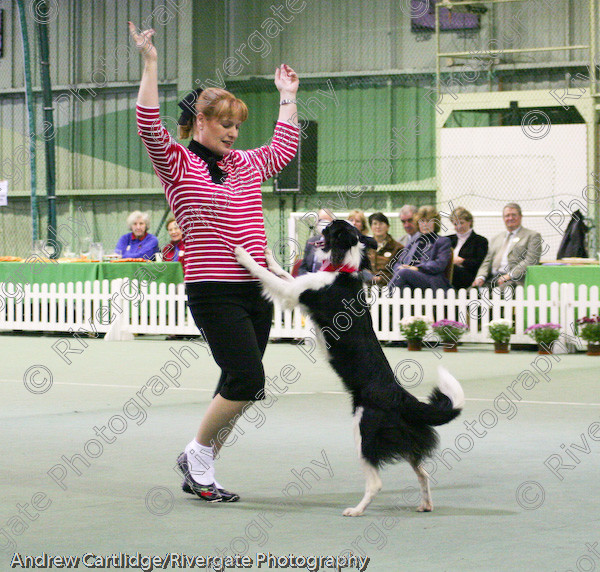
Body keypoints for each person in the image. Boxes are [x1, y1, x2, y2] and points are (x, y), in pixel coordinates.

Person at [129, 22, 299, 502]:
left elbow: (284, 148)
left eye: (238, 125)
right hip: (213, 289)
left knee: (237, 381)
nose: (233, 131)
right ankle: (197, 455)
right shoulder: (178, 164)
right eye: (225, 123)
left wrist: (287, 94)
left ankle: (201, 465)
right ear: (199, 122)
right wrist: (150, 64)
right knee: (248, 379)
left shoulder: (246, 163)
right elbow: (146, 123)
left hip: (256, 289)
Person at [472, 203, 542, 290]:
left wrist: (509, 275)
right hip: (493, 278)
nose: (510, 218)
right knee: (469, 293)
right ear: (503, 218)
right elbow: (487, 261)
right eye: (507, 215)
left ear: (520, 216)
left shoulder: (532, 236)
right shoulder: (496, 238)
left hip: (514, 280)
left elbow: (531, 260)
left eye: (514, 215)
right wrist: (480, 277)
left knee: (497, 294)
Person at [389, 205, 452, 293]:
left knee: (404, 273)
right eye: (422, 221)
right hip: (411, 277)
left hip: (431, 279)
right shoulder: (414, 241)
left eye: (429, 221)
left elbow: (439, 265)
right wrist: (399, 268)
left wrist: (417, 268)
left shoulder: (443, 241)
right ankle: (390, 304)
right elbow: (398, 262)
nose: (425, 224)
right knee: (404, 286)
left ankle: (383, 299)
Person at [447, 207, 488, 290]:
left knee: (453, 269)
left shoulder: (480, 241)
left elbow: (479, 263)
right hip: (449, 273)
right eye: (455, 224)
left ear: (469, 222)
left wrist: (462, 261)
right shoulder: (447, 240)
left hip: (468, 275)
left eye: (461, 223)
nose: (458, 226)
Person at [367, 212, 402, 286]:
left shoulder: (398, 248)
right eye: (375, 224)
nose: (378, 227)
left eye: (381, 223)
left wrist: (381, 279)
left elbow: (398, 271)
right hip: (366, 287)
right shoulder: (365, 247)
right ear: (371, 227)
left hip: (389, 288)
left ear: (388, 227)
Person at [297, 208, 334, 275]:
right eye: (320, 221)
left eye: (326, 221)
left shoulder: (339, 243)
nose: (322, 224)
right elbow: (303, 268)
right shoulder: (311, 242)